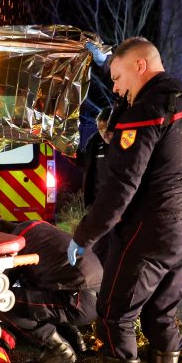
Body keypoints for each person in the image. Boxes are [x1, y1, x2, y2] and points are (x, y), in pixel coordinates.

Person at [67, 37, 182, 363]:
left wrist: (84, 235)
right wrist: (108, 63)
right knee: (160, 315)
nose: (115, 87)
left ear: (140, 67)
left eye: (117, 77)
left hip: (151, 232)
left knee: (115, 315)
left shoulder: (144, 112)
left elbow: (120, 188)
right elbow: (131, 79)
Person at [0, 219, 102, 363]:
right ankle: (74, 340)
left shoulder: (14, 244)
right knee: (38, 293)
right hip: (97, 294)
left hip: (79, 301)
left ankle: (58, 349)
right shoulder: (39, 229)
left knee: (1, 301)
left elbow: (1, 284)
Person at [77, 106, 114, 263]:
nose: (103, 134)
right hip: (97, 204)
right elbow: (84, 162)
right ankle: (99, 274)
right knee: (99, 248)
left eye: (106, 129)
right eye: (100, 129)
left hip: (116, 205)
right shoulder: (94, 141)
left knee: (115, 248)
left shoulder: (124, 144)